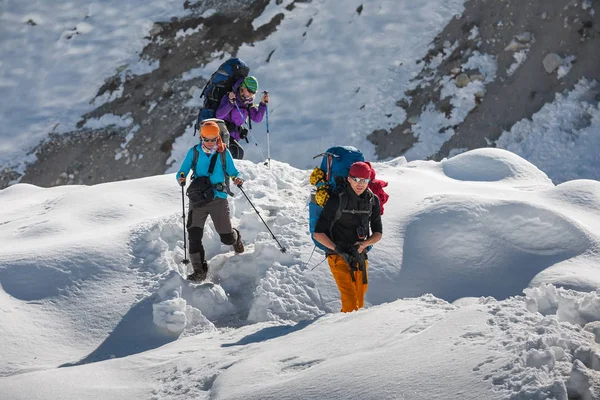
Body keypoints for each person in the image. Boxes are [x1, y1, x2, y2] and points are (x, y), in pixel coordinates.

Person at [177, 120, 245, 281]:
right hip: (198, 199)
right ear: (201, 137)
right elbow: (183, 170)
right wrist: (181, 177)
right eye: (206, 139)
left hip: (218, 198)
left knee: (226, 237)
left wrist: (237, 178)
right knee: (193, 234)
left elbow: (233, 171)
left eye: (213, 139)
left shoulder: (223, 153)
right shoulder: (193, 152)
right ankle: (199, 270)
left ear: (218, 137)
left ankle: (236, 237)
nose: (209, 142)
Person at [313, 162, 383, 312]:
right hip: (337, 256)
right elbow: (318, 233)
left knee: (359, 301)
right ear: (349, 178)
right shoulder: (337, 199)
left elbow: (378, 233)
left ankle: (352, 333)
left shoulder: (372, 200)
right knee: (351, 304)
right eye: (357, 179)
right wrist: (339, 250)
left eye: (365, 180)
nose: (360, 184)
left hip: (360, 256)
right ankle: (343, 334)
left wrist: (364, 244)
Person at [215, 75, 269, 159]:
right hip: (222, 134)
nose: (251, 94)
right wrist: (230, 103)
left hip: (234, 136)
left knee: (236, 153)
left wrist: (262, 104)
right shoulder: (231, 96)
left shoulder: (248, 102)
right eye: (249, 91)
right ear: (243, 87)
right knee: (237, 151)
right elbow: (219, 115)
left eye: (253, 92)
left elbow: (257, 118)